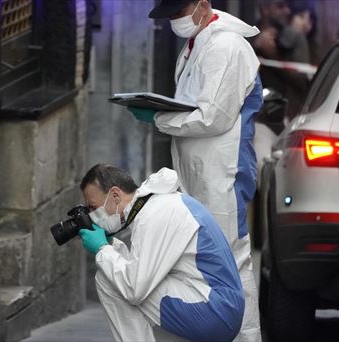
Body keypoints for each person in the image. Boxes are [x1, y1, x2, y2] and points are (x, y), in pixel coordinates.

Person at [127, 1, 263, 341]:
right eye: (170, 16)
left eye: (178, 13)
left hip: (222, 172)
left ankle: (245, 337)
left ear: (203, 5)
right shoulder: (198, 43)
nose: (175, 21)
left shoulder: (226, 46)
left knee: (230, 261)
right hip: (204, 170)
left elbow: (213, 116)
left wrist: (159, 118)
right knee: (214, 260)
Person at [78, 164, 245, 341]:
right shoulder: (159, 204)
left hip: (216, 313)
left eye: (93, 208)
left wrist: (102, 249)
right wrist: (110, 243)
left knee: (109, 280)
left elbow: (134, 288)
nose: (92, 216)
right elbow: (138, 271)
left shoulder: (154, 214)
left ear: (115, 195)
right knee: (120, 275)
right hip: (215, 306)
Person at [252, 0, 312, 119]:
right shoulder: (247, 34)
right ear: (265, 9)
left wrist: (273, 55)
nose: (287, 11)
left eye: (287, 6)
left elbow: (302, 79)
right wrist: (254, 47)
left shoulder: (295, 38)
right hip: (253, 112)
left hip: (285, 114)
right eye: (280, 6)